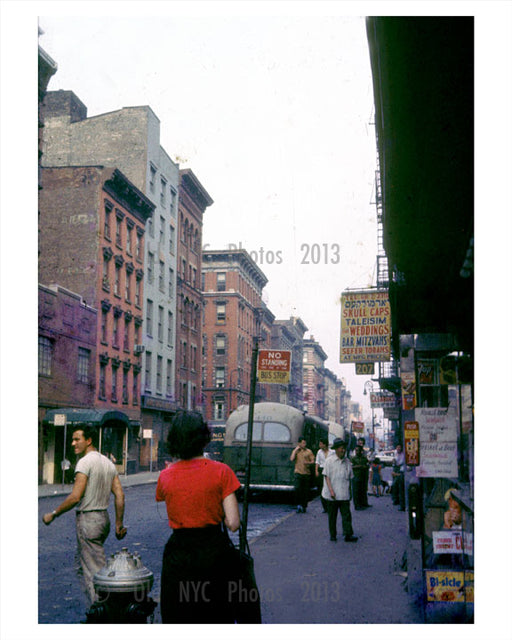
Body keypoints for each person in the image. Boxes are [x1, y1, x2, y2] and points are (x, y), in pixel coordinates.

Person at [156, 411, 241, 624]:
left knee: (179, 615)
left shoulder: (165, 476)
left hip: (178, 554)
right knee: (215, 614)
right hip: (213, 553)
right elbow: (233, 524)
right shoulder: (222, 471)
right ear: (203, 437)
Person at [42, 426, 127, 608]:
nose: (73, 443)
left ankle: (103, 614)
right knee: (82, 567)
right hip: (103, 519)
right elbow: (119, 495)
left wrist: (53, 514)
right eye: (72, 439)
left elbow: (75, 497)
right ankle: (98, 609)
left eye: (77, 439)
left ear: (89, 440)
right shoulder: (108, 463)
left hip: (88, 520)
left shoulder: (84, 463)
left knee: (95, 573)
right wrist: (119, 523)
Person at [322, 439, 358, 542]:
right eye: (341, 448)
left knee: (346, 515)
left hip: (344, 493)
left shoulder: (347, 462)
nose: (343, 450)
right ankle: (333, 535)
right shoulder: (329, 461)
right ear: (336, 449)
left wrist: (350, 492)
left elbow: (350, 478)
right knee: (332, 516)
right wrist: (331, 491)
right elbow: (326, 477)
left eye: (344, 448)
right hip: (332, 494)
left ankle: (348, 534)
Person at [290, 436, 315, 513]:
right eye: (303, 443)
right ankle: (298, 505)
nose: (304, 444)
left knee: (305, 491)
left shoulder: (309, 451)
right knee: (297, 489)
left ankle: (304, 506)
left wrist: (308, 463)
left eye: (305, 443)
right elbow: (291, 459)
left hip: (306, 473)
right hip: (298, 472)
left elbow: (313, 461)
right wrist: (295, 450)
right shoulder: (296, 451)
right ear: (299, 443)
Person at [315, 437, 333, 512]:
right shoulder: (319, 452)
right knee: (321, 488)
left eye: (321, 444)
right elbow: (317, 462)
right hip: (321, 470)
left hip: (329, 470)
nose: (319, 445)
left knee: (329, 487)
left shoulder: (332, 452)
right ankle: (324, 507)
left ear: (325, 445)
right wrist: (316, 471)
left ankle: (330, 505)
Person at [351, 445, 370, 509]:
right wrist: (358, 466)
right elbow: (351, 467)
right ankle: (357, 505)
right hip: (356, 476)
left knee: (363, 490)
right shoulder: (353, 458)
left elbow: (368, 465)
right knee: (356, 491)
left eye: (358, 450)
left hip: (363, 476)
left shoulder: (364, 458)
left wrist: (365, 467)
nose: (357, 452)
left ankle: (364, 503)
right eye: (356, 450)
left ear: (361, 451)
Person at [391, 444, 406, 510]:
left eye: (400, 447)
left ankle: (400, 502)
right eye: (397, 447)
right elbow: (394, 461)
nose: (398, 448)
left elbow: (402, 464)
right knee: (394, 485)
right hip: (396, 469)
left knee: (399, 486)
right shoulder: (395, 453)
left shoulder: (404, 454)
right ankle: (395, 499)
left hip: (401, 471)